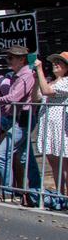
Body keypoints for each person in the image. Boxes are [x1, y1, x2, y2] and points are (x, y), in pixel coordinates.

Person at [0, 45, 42, 205]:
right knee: (26, 158)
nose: (8, 61)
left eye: (11, 58)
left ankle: (8, 192)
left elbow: (15, 97)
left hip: (23, 118)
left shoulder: (25, 76)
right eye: (7, 58)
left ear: (21, 59)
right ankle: (35, 194)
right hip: (19, 118)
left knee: (2, 154)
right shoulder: (19, 75)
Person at [34, 51, 68, 197]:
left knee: (64, 165)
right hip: (47, 126)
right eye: (54, 61)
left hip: (60, 126)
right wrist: (37, 78)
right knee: (54, 163)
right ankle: (60, 194)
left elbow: (47, 92)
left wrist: (40, 70)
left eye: (59, 62)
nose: (55, 64)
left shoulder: (66, 82)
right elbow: (36, 96)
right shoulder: (48, 80)